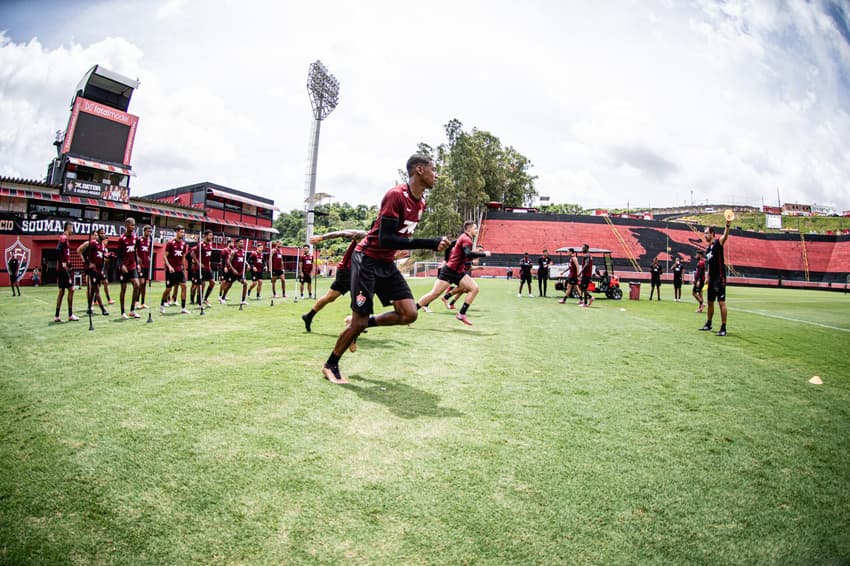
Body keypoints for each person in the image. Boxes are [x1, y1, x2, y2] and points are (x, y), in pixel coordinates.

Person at [321, 154, 450, 384]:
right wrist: (430, 242)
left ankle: (358, 324)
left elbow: (398, 239)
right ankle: (331, 364)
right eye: (433, 169)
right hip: (367, 260)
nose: (436, 174)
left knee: (410, 313)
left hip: (385, 263)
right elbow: (387, 238)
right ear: (419, 170)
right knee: (358, 322)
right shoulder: (395, 196)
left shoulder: (421, 203)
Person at [416, 220, 491, 325]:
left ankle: (461, 314)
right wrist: (484, 254)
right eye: (475, 228)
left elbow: (462, 253)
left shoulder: (465, 237)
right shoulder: (466, 239)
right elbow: (468, 254)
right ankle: (412, 312)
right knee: (434, 294)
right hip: (449, 271)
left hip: (458, 272)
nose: (477, 230)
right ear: (469, 229)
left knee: (474, 288)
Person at [301, 229, 368, 334]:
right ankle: (356, 322)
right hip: (347, 270)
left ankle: (309, 316)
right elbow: (342, 233)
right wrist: (322, 237)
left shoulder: (380, 243)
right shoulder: (364, 235)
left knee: (330, 297)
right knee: (360, 294)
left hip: (354, 272)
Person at [700, 220, 731, 336]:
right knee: (710, 302)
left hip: (720, 278)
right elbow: (709, 264)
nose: (705, 235)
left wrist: (727, 226)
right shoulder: (707, 249)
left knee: (721, 302)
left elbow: (725, 236)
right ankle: (708, 323)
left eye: (706, 233)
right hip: (712, 279)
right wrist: (707, 277)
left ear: (712, 234)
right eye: (704, 233)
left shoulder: (718, 243)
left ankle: (723, 328)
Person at [77, 228, 109, 316]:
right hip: (92, 270)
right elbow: (79, 250)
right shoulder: (91, 243)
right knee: (95, 289)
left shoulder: (102, 246)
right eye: (101, 233)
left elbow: (102, 258)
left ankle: (89, 307)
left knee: (94, 289)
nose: (103, 235)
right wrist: (86, 262)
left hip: (99, 270)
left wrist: (108, 257)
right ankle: (103, 309)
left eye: (104, 233)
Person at [159, 225, 189, 314]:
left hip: (179, 269)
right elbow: (165, 256)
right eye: (181, 232)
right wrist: (169, 266)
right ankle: (162, 304)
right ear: (176, 232)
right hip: (171, 270)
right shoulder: (170, 243)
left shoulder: (184, 244)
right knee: (168, 289)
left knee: (184, 286)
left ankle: (183, 308)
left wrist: (184, 268)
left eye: (183, 232)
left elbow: (183, 257)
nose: (182, 234)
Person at [54, 222, 79, 322]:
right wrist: (63, 262)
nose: (73, 230)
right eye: (72, 227)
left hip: (62, 269)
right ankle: (70, 315)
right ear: (68, 228)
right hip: (63, 270)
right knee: (71, 289)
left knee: (62, 292)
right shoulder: (63, 238)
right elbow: (57, 250)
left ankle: (57, 316)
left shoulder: (65, 239)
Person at [116, 217, 141, 319]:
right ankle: (122, 312)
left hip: (132, 266)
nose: (133, 227)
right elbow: (118, 255)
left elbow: (135, 252)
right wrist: (121, 265)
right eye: (131, 225)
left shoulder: (135, 238)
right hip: (124, 267)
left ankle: (132, 310)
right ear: (126, 225)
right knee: (123, 289)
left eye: (134, 225)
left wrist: (137, 264)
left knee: (137, 285)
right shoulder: (121, 239)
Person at [226, 238, 248, 306]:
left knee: (245, 283)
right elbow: (228, 261)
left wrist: (248, 264)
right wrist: (233, 269)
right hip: (233, 272)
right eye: (241, 242)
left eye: (243, 242)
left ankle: (243, 300)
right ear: (237, 243)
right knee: (229, 285)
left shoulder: (244, 252)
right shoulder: (234, 252)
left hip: (240, 272)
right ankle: (223, 297)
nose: (242, 243)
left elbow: (244, 260)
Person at [137, 225, 153, 309]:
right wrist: (137, 259)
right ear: (144, 231)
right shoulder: (139, 240)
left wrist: (149, 257)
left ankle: (143, 302)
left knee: (144, 285)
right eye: (148, 231)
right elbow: (135, 250)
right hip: (141, 264)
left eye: (150, 231)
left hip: (147, 264)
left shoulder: (150, 241)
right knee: (141, 283)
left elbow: (149, 251)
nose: (149, 233)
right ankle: (136, 301)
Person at [100, 238, 115, 305]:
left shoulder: (105, 249)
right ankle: (108, 299)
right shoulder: (99, 247)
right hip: (98, 268)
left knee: (101, 284)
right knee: (104, 283)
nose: (106, 242)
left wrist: (110, 256)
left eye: (107, 241)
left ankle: (95, 301)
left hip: (102, 268)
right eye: (105, 240)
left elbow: (105, 260)